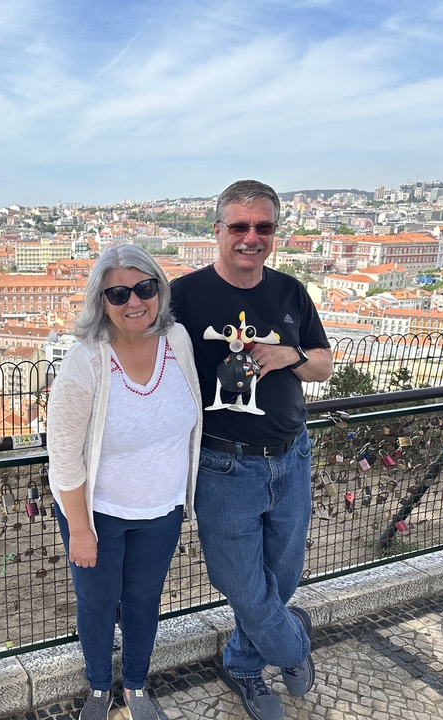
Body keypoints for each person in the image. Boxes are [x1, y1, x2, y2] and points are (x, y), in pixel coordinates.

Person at [169, 180, 333, 720]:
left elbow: (322, 366)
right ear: (217, 230)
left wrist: (289, 355)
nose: (250, 237)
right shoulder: (185, 296)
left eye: (263, 227)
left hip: (292, 454)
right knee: (240, 581)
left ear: (275, 234)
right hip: (223, 463)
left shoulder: (291, 292)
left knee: (281, 578)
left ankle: (242, 663)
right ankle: (291, 644)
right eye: (239, 226)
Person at [47, 245, 202, 720]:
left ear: (159, 289)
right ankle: (99, 688)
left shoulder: (177, 341)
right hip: (99, 514)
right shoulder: (86, 363)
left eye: (144, 287)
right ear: (102, 301)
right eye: (119, 293)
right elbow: (64, 456)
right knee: (97, 603)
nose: (134, 301)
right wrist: (79, 528)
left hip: (162, 509)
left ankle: (135, 685)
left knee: (143, 601)